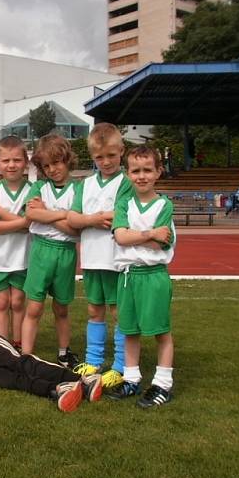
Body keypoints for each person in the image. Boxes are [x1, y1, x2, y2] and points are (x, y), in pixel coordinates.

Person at [108, 145, 175, 408]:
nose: (142, 175)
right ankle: (132, 378)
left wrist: (133, 236)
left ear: (159, 172)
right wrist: (148, 234)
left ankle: (163, 384)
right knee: (129, 331)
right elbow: (121, 236)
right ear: (128, 174)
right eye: (135, 170)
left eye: (148, 170)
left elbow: (163, 243)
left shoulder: (164, 205)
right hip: (127, 276)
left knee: (161, 332)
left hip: (153, 275)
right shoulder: (123, 203)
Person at [67, 123, 133, 388]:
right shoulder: (85, 184)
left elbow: (121, 215)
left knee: (118, 312)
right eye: (99, 157)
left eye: (111, 156)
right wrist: (93, 219)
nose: (105, 162)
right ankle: (93, 361)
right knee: (94, 310)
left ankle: (119, 365)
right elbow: (72, 217)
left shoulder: (126, 183)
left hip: (117, 259)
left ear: (121, 152)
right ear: (92, 157)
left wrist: (87, 219)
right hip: (93, 259)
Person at [21, 133, 80, 367]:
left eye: (56, 162)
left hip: (65, 252)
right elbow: (31, 213)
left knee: (61, 307)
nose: (52, 169)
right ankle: (26, 356)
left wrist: (48, 212)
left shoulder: (79, 189)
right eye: (46, 165)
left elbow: (75, 230)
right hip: (41, 250)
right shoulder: (38, 186)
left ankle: (64, 353)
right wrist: (63, 214)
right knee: (34, 306)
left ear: (67, 160)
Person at [0, 136, 32, 351]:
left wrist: (1, 213)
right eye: (5, 160)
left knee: (18, 302)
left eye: (16, 160)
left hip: (23, 257)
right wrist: (22, 222)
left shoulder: (33, 190)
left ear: (26, 162)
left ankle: (20, 342)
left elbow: (31, 225)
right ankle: (3, 345)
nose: (11, 165)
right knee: (2, 302)